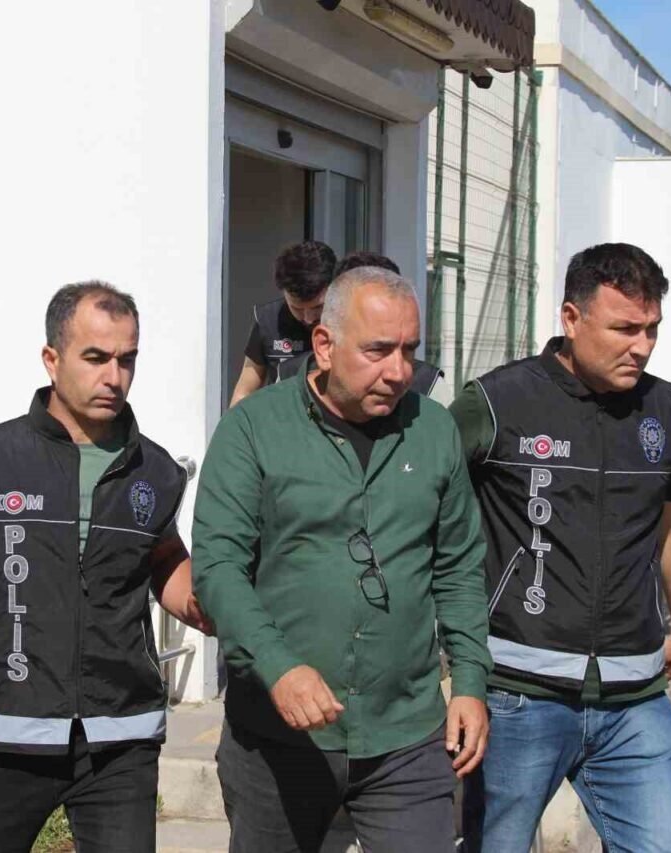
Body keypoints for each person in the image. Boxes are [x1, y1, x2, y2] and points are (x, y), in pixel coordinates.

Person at [0, 281, 211, 853]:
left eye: (127, 360)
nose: (114, 376)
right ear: (52, 358)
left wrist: (200, 601)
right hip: (2, 726)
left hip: (121, 733)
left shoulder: (157, 471)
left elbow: (164, 561)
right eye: (96, 358)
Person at [193, 267, 492, 853]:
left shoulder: (434, 430)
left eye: (409, 351)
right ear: (324, 345)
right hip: (279, 739)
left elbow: (458, 567)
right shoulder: (252, 429)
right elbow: (218, 567)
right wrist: (278, 665)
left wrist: (470, 681)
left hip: (405, 736)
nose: (399, 371)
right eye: (378, 350)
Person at [452, 243, 671, 853]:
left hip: (635, 699)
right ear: (571, 317)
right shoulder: (498, 401)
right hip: (518, 695)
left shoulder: (668, 410)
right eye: (624, 329)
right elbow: (426, 505)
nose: (641, 346)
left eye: (651, 329)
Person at [273, 252, 448, 402]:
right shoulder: (289, 378)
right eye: (377, 350)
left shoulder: (429, 386)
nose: (397, 374)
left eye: (409, 349)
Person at [229, 240, 337, 408]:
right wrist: (233, 424)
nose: (308, 318)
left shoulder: (351, 320)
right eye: (297, 308)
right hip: (283, 416)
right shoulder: (267, 321)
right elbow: (245, 391)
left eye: (318, 307)